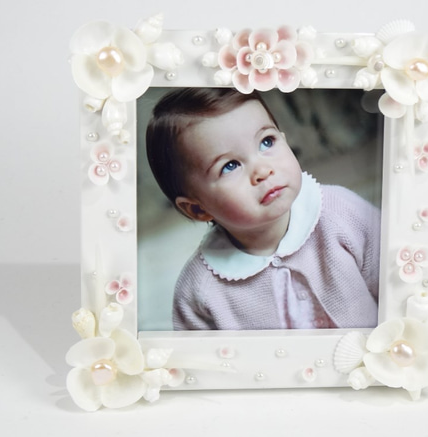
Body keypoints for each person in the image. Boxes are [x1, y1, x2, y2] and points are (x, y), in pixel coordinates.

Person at [146, 88, 380, 331]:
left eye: (267, 142)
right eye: (230, 166)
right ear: (197, 209)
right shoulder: (198, 291)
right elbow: (199, 363)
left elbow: (400, 288)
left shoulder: (342, 213)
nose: (262, 170)